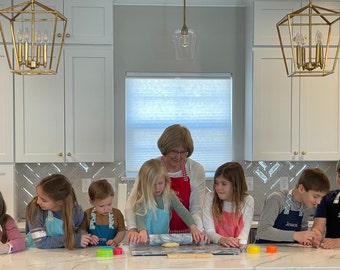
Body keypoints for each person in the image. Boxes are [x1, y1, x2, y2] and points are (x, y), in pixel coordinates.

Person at [125, 124, 208, 244]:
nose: (179, 157)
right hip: (150, 237)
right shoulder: (150, 168)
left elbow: (195, 209)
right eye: (174, 151)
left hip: (185, 235)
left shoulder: (196, 169)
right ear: (165, 148)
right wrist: (133, 229)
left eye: (183, 152)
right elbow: (133, 201)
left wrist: (197, 230)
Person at [129, 159, 204, 243]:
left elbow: (182, 211)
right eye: (153, 185)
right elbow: (140, 216)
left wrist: (193, 227)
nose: (157, 188)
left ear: (166, 181)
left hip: (163, 241)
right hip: (144, 240)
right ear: (145, 184)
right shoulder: (143, 198)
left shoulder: (169, 196)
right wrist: (142, 230)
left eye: (160, 183)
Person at [256, 168, 330, 245]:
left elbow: (301, 233)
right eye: (315, 196)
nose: (318, 202)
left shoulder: (306, 205)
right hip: (265, 251)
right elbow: (263, 231)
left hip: (289, 253)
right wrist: (294, 235)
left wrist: (308, 240)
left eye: (322, 197)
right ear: (301, 189)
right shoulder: (277, 199)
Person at [25, 174, 92, 249]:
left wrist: (88, 239)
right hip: (34, 254)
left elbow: (82, 237)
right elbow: (41, 242)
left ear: (60, 202)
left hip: (64, 256)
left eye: (44, 200)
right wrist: (72, 240)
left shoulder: (77, 213)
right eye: (38, 196)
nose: (38, 201)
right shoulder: (36, 210)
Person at [203, 162, 254, 248]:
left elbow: (243, 234)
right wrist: (222, 239)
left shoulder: (247, 201)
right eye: (216, 183)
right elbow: (209, 230)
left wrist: (236, 242)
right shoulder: (210, 198)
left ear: (236, 185)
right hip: (214, 248)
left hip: (236, 248)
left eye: (224, 184)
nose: (218, 188)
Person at [80, 179, 126, 246]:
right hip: (91, 252)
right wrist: (89, 237)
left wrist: (115, 241)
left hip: (111, 251)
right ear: (92, 202)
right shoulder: (87, 214)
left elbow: (121, 231)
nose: (106, 208)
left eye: (109, 204)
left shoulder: (117, 214)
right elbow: (82, 231)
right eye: (101, 206)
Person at [312, 160, 340, 249]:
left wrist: (338, 242)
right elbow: (318, 228)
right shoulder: (326, 198)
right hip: (329, 252)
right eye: (339, 176)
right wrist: (316, 236)